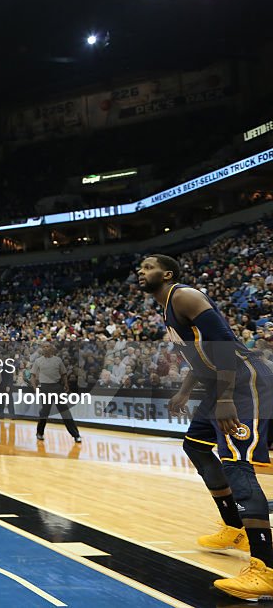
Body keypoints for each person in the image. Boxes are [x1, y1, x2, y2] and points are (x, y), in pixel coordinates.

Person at [140, 254, 273, 600]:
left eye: (148, 267)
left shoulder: (185, 296)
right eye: (140, 268)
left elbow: (225, 345)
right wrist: (184, 392)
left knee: (238, 465)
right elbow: (198, 357)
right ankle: (235, 528)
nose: (141, 272)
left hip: (243, 383)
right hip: (219, 385)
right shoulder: (167, 309)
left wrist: (227, 397)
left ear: (167, 273)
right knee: (195, 446)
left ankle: (266, 569)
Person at [31, 343, 81, 443]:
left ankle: (76, 435)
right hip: (45, 388)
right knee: (44, 412)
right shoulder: (38, 361)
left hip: (57, 387)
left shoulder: (58, 360)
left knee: (65, 411)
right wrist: (35, 387)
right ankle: (39, 433)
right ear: (42, 349)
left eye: (48, 346)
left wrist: (66, 384)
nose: (46, 348)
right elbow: (33, 375)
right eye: (44, 346)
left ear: (52, 348)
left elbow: (64, 374)